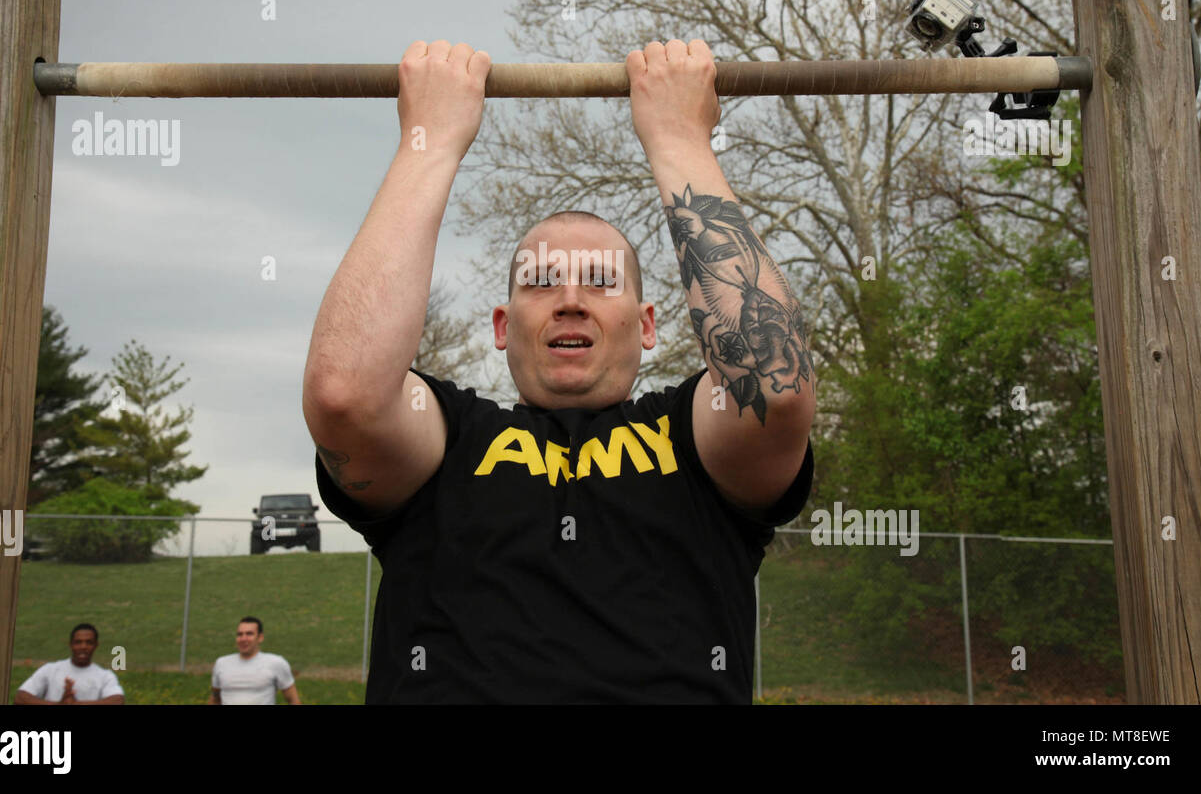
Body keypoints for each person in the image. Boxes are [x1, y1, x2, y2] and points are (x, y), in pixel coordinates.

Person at [303, 38, 816, 703]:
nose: (570, 298)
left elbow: (773, 385)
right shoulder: (448, 444)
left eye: (600, 282)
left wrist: (679, 139)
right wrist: (427, 142)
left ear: (650, 324)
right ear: (500, 325)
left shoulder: (696, 441)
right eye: (541, 281)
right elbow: (343, 393)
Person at [14, 623, 124, 705]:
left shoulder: (105, 676)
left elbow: (118, 701)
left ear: (96, 645)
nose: (83, 647)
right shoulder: (50, 670)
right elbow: (20, 698)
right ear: (70, 644)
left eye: (89, 642)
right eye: (78, 642)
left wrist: (76, 704)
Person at [210, 616, 300, 705]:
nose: (243, 639)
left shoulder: (276, 663)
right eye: (240, 634)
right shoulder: (222, 663)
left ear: (260, 637)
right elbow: (215, 699)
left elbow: (293, 700)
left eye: (249, 634)